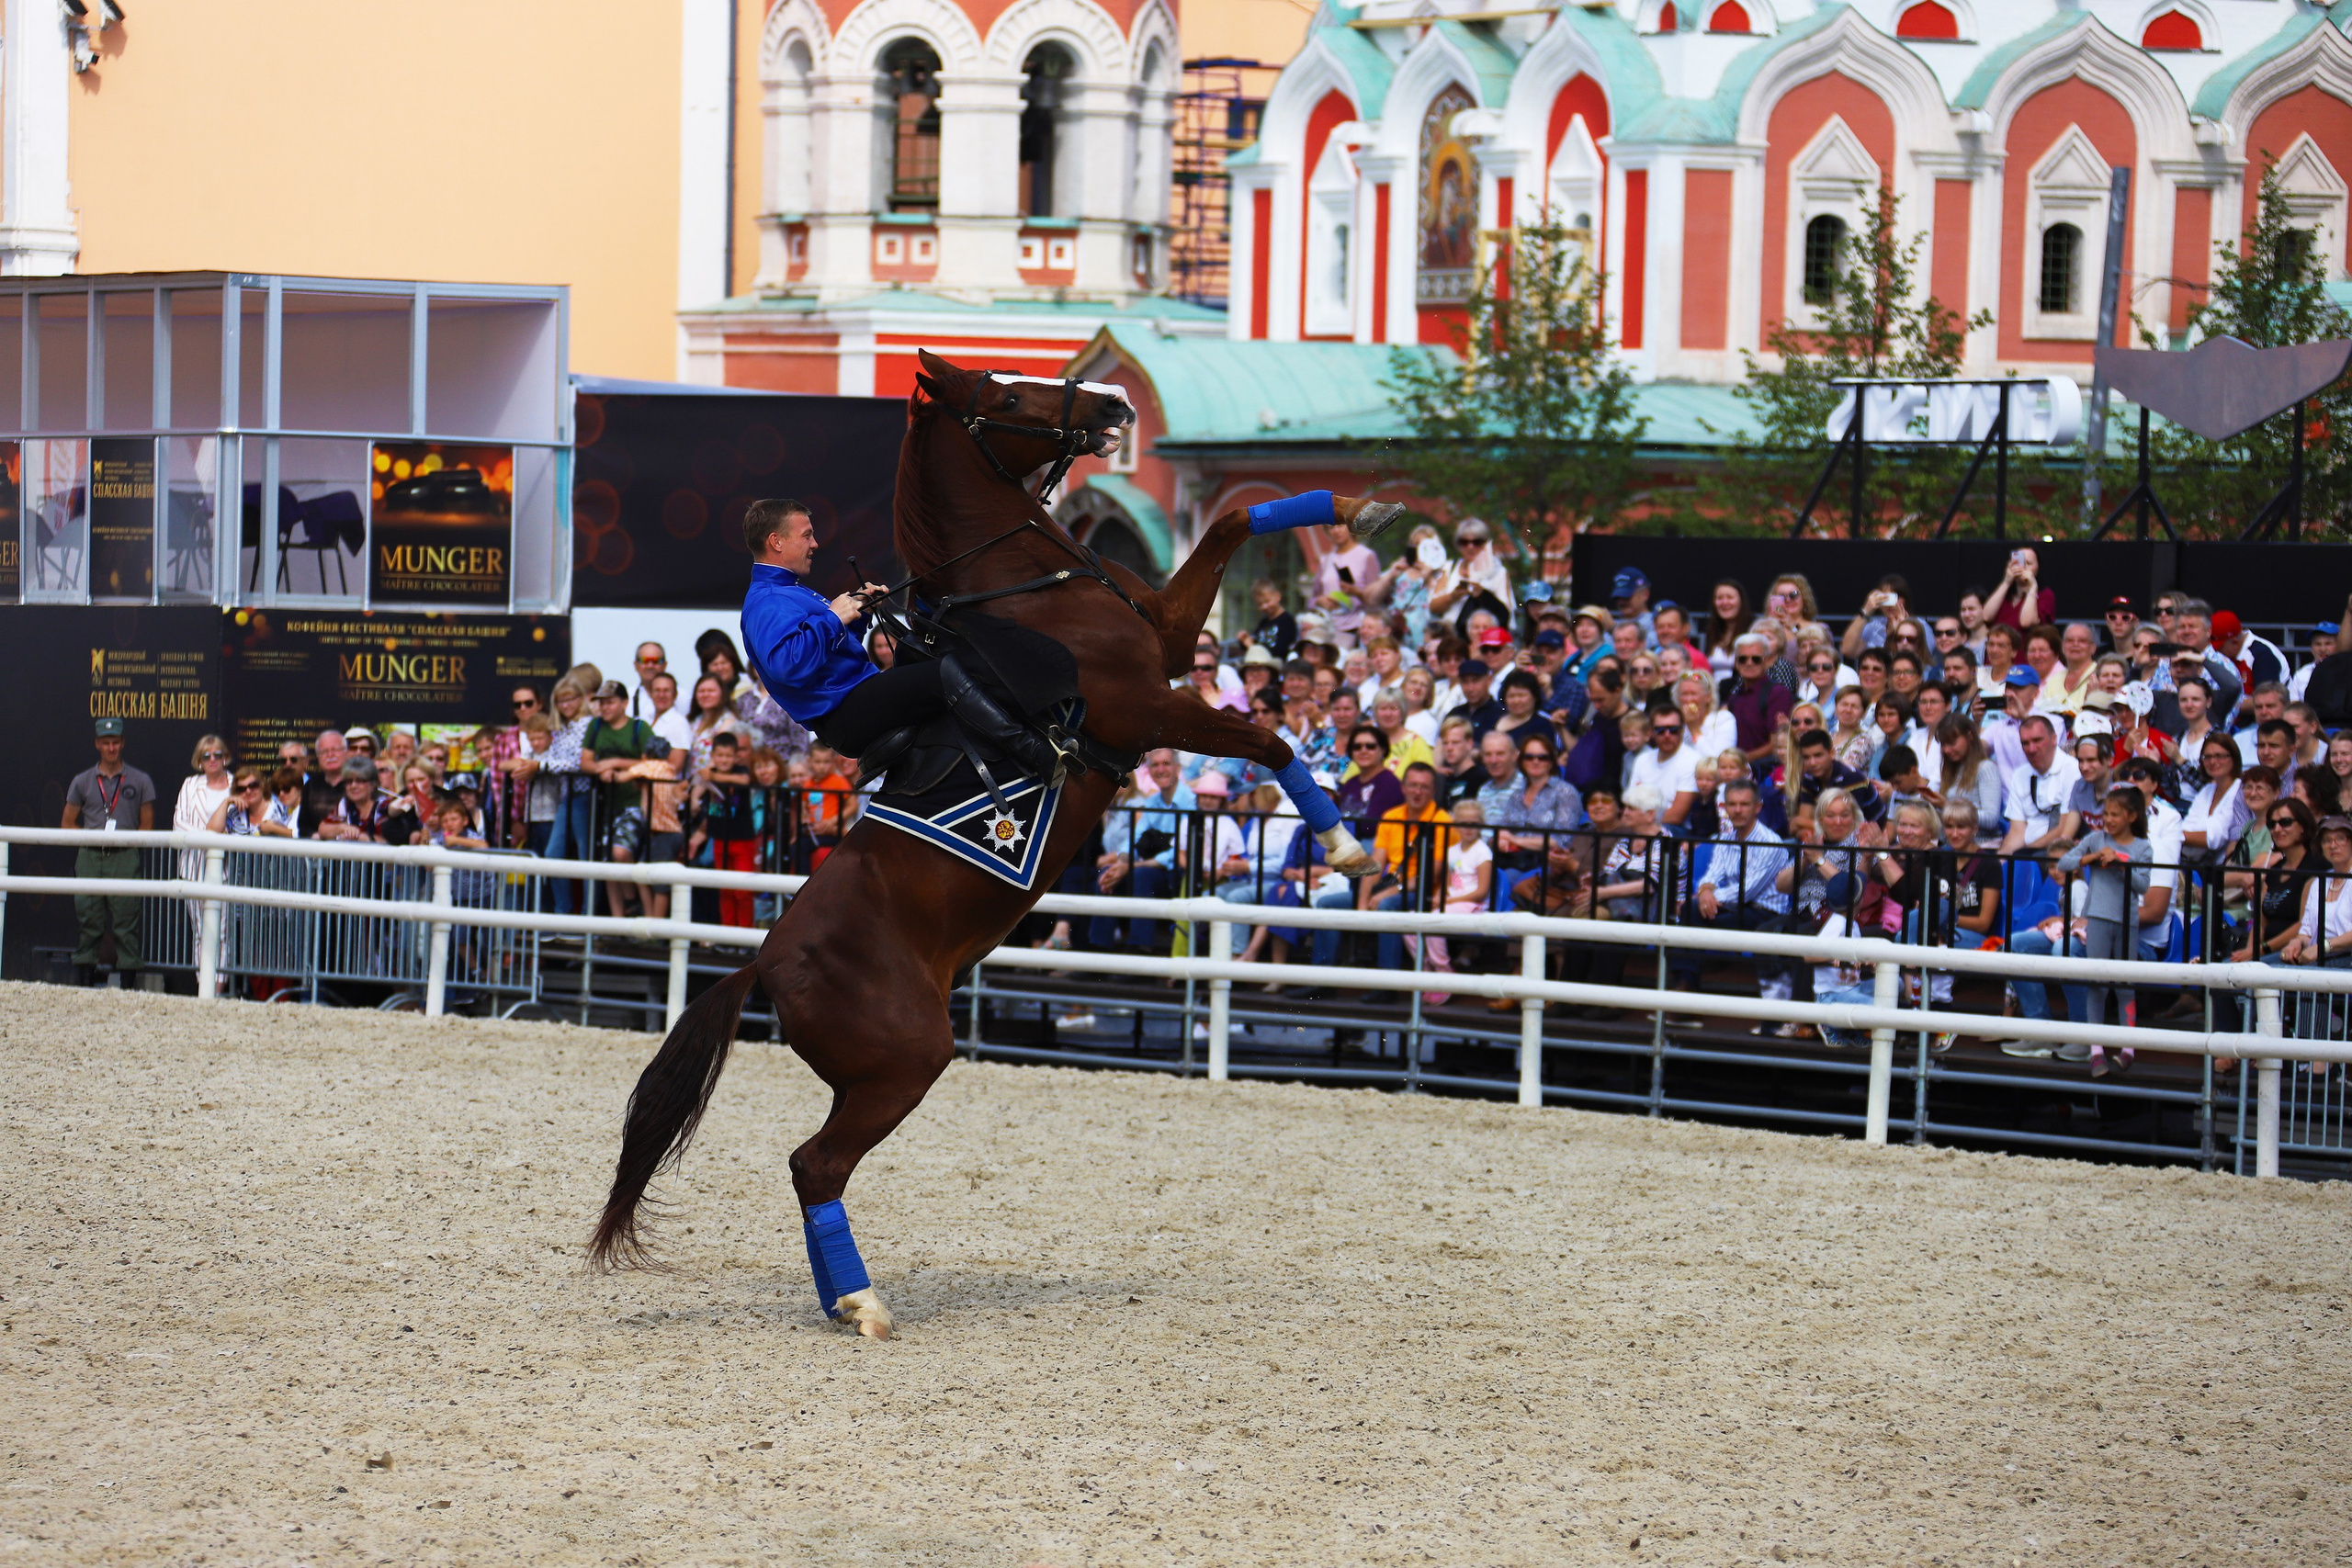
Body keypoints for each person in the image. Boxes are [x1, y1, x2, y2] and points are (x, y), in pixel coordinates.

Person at [738, 496, 1057, 776]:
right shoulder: (768, 599)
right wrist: (834, 618)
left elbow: (829, 656)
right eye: (807, 535)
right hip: (844, 713)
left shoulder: (786, 590)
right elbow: (787, 666)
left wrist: (858, 612)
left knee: (924, 653)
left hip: (856, 700)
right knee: (942, 673)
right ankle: (1033, 751)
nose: (815, 544)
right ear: (776, 542)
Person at [1668, 778, 1794, 1018]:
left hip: (1763, 913)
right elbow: (1713, 873)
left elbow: (1748, 890)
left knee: (1692, 913)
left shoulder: (1770, 842)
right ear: (1725, 807)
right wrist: (1705, 891)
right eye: (1732, 804)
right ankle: (1686, 988)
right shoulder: (1725, 837)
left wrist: (1708, 896)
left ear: (1757, 807)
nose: (1737, 810)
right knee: (1690, 911)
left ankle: (1685, 992)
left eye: (1744, 804)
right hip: (1734, 908)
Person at [62, 716, 158, 985]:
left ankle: (127, 986)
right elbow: (66, 825)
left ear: (123, 743)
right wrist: (93, 837)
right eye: (106, 743)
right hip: (91, 856)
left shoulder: (140, 780)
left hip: (125, 857)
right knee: (89, 920)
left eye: (115, 742)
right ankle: (84, 984)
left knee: (126, 923)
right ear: (97, 745)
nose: (111, 748)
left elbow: (146, 827)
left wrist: (124, 843)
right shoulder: (82, 781)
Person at [2182, 734, 2248, 866]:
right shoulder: (2207, 790)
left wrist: (2173, 835)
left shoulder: (2240, 790)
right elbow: (2187, 826)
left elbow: (2215, 839)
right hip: (2194, 864)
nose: (2213, 762)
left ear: (2233, 758)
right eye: (2207, 757)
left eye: (2220, 756)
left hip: (2225, 868)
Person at [1981, 547, 2052, 631]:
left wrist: (2032, 588)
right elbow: (1986, 617)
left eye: (2028, 563)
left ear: (2038, 567)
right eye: (2018, 563)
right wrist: (2006, 582)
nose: (2023, 567)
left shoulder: (2045, 595)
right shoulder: (2004, 594)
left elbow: (2026, 622)